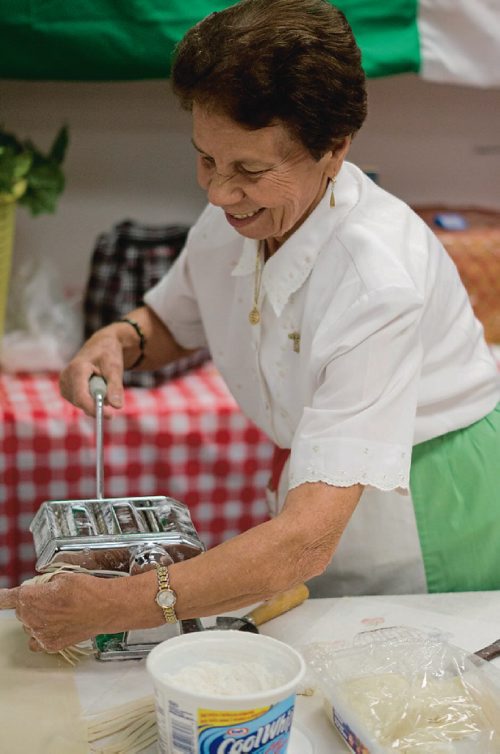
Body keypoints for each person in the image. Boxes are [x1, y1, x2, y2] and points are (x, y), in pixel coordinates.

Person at [1, 0, 499, 654]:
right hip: (322, 489)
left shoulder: (376, 280)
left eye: (249, 171)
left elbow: (306, 539)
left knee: (407, 685)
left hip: (425, 501)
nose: (215, 193)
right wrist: (120, 338)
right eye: (205, 159)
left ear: (335, 149)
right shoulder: (240, 216)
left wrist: (118, 604)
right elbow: (175, 318)